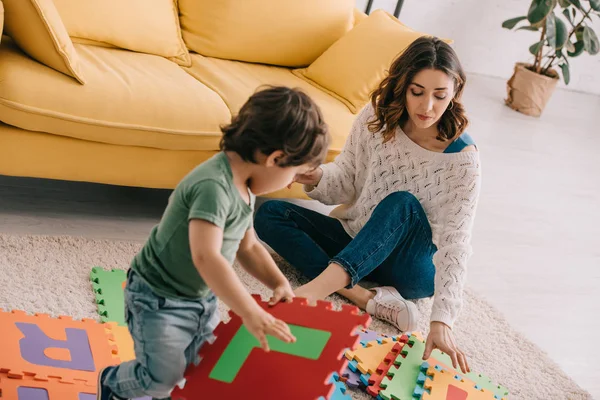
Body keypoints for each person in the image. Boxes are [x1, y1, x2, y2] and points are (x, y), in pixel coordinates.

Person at [255, 37, 480, 374]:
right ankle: (363, 297)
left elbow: (456, 245)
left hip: (410, 268)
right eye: (417, 91)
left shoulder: (462, 160)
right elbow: (346, 178)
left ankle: (314, 291)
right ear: (402, 85)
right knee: (271, 213)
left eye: (439, 95)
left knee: (401, 203)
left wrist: (441, 321)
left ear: (455, 91)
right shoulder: (377, 118)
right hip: (358, 242)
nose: (427, 106)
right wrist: (314, 176)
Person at [96, 86, 330, 400]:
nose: (290, 184)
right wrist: (249, 311)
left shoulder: (246, 186)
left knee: (199, 367)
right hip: (156, 297)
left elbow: (247, 247)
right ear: (275, 158)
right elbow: (206, 256)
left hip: (200, 298)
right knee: (161, 378)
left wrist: (277, 281)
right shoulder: (213, 186)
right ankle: (113, 382)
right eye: (294, 175)